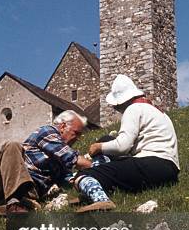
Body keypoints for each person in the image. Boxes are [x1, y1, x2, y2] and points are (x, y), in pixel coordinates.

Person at [0, 110, 91, 220]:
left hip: (26, 192)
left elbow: (68, 178)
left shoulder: (63, 162)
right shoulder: (48, 132)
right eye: (76, 133)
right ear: (63, 126)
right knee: (13, 146)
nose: (77, 138)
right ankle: (14, 202)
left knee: (29, 208)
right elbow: (72, 158)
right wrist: (96, 165)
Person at [74, 75, 180, 212]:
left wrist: (99, 147)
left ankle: (100, 198)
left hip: (151, 164)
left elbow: (123, 146)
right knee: (107, 139)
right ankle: (96, 187)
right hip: (170, 171)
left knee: (83, 175)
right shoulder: (158, 112)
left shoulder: (133, 109)